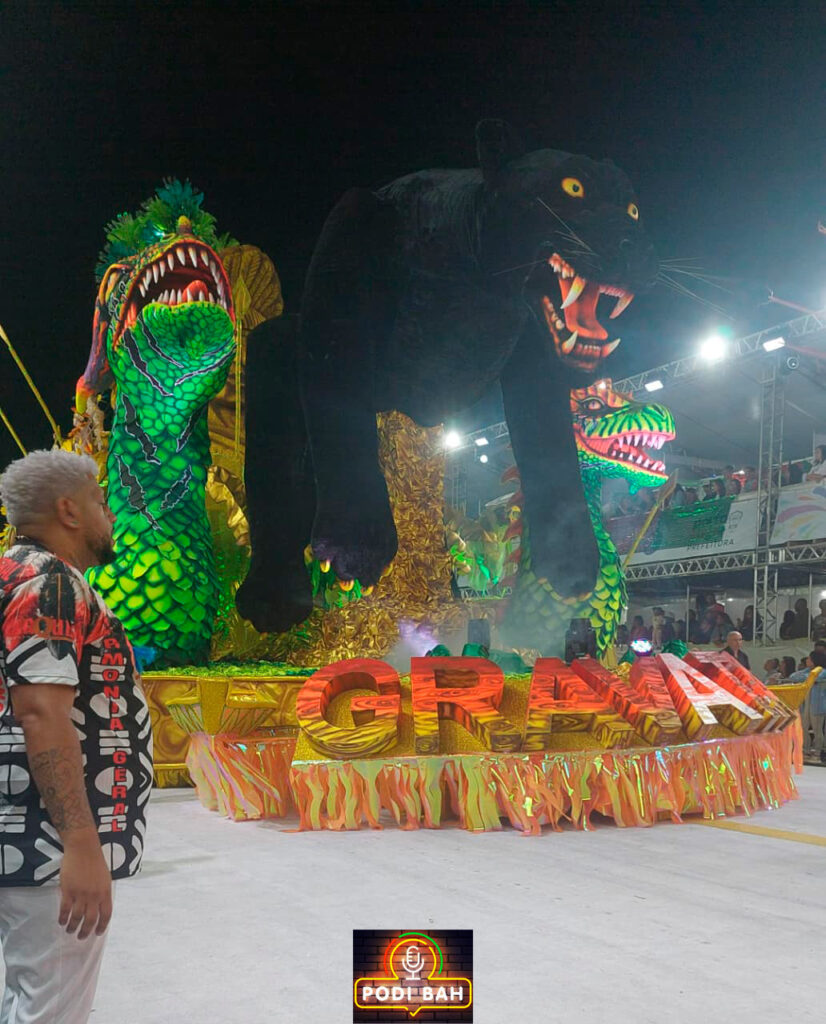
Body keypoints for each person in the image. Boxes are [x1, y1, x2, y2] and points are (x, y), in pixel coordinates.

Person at [0, 450, 152, 1022]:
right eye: (100, 501)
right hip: (45, 848)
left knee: (26, 999)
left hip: (20, 841)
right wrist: (82, 846)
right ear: (68, 511)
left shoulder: (12, 573)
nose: (109, 515)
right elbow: (41, 711)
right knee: (51, 1009)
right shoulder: (53, 583)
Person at [787, 649, 826, 763]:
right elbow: (793, 677)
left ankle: (818, 751)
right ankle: (806, 750)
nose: (807, 660)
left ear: (814, 660)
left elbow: (815, 678)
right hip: (805, 704)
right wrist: (807, 674)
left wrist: (807, 676)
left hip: (817, 704)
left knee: (817, 729)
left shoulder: (823, 671)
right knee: (803, 727)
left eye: (809, 658)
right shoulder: (808, 671)